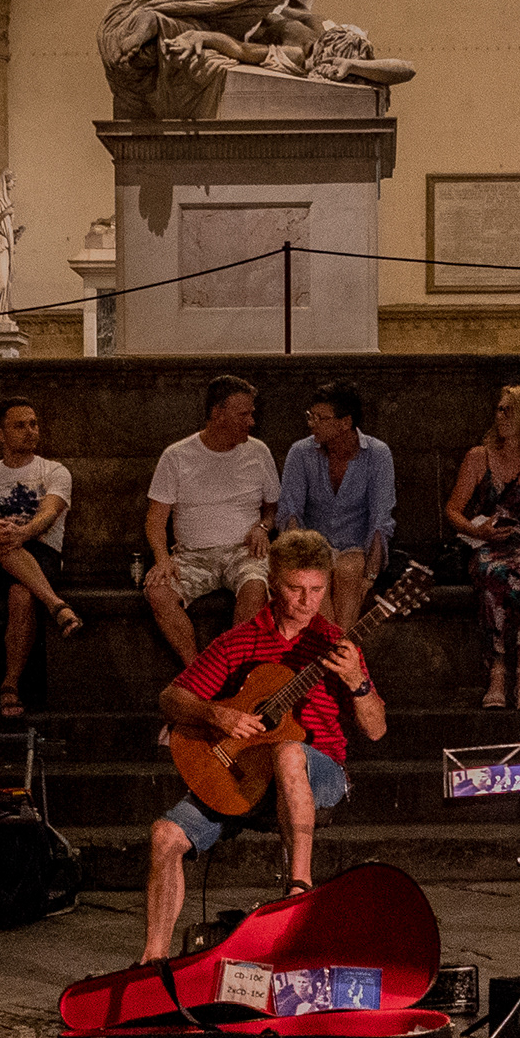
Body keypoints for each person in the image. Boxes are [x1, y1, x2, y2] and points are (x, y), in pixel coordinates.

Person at [142, 528, 389, 961]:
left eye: (317, 589)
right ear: (274, 583)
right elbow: (171, 698)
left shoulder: (337, 645)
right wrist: (216, 714)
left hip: (320, 772)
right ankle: (153, 961)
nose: (306, 601)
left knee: (289, 749)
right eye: (295, 589)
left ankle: (298, 886)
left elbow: (376, 730)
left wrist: (357, 681)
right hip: (244, 774)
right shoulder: (240, 640)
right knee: (165, 836)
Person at [446, 383, 520, 709]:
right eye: (499, 409)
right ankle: (497, 672)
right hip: (490, 545)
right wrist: (481, 531)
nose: (500, 416)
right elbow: (453, 509)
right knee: (494, 577)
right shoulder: (479, 457)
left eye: (508, 410)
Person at [143, 374, 279, 662]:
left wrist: (263, 527)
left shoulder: (258, 452)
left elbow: (272, 507)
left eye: (252, 413)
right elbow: (155, 520)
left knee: (255, 586)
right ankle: (198, 669)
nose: (251, 421)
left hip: (243, 551)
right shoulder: (177, 456)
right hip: (192, 556)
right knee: (157, 591)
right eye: (244, 414)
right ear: (218, 414)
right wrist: (162, 558)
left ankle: (234, 667)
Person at [0, 396, 82, 720]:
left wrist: (23, 532)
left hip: (40, 553)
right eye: (20, 425)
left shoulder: (54, 471)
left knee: (21, 591)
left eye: (33, 424)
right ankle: (56, 605)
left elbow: (50, 513)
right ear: (0, 434)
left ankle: (10, 685)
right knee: (2, 539)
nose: (30, 431)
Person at [280, 381, 395, 626]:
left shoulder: (377, 454)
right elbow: (291, 513)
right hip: (313, 546)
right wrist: (301, 559)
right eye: (312, 416)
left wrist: (371, 575)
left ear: (345, 423)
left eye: (322, 418)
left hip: (355, 546)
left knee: (349, 570)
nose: (313, 424)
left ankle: (334, 653)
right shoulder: (300, 452)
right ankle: (336, 650)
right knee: (316, 575)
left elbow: (380, 518)